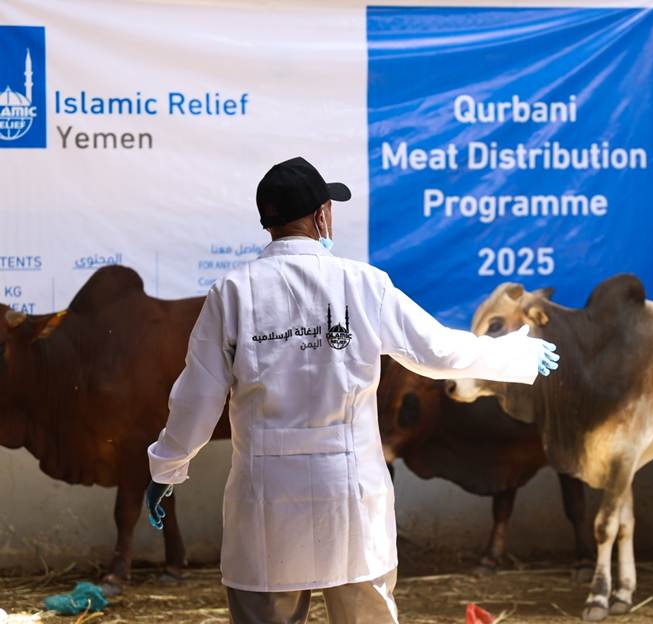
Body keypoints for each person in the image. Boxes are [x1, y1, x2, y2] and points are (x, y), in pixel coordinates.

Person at [144, 156, 560, 624]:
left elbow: (197, 398)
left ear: (269, 222)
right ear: (322, 215)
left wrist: (167, 467)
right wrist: (515, 355)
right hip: (351, 498)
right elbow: (438, 352)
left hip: (267, 503)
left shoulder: (231, 293)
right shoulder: (363, 284)